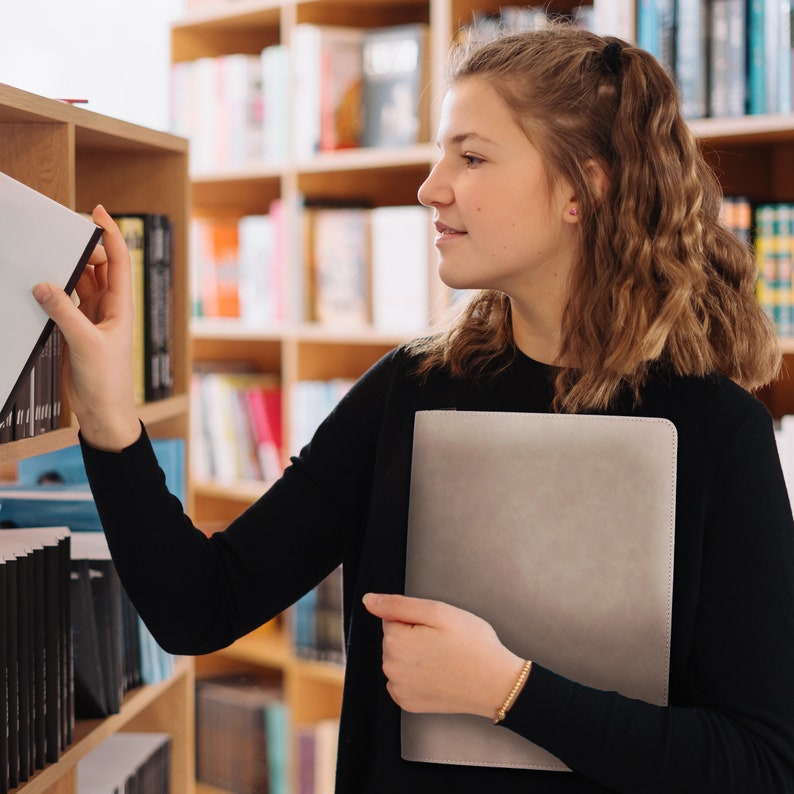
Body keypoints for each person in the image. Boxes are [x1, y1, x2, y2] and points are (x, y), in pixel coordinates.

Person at [32, 22, 794, 793]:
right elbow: (200, 607)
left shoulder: (716, 431)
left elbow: (761, 765)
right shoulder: (410, 388)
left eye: (471, 156)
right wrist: (109, 415)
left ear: (582, 190)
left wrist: (508, 692)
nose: (430, 187)